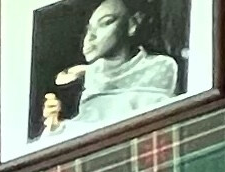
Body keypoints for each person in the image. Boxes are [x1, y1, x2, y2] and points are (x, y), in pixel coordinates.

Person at [49, 0, 185, 129]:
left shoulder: (159, 67)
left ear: (132, 24)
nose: (91, 37)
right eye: (89, 29)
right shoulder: (90, 77)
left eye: (106, 22)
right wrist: (55, 126)